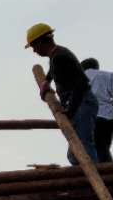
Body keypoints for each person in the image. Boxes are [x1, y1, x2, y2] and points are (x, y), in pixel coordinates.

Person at [25, 23, 99, 166]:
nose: (34, 51)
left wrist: (70, 111)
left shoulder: (59, 56)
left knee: (83, 147)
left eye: (34, 46)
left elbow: (81, 84)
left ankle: (97, 178)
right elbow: (54, 69)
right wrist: (47, 81)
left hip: (81, 103)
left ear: (41, 42)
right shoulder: (57, 55)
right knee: (73, 154)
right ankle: (87, 180)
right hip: (78, 104)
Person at [81, 57, 113, 164]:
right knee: (103, 147)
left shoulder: (79, 77)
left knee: (97, 149)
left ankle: (109, 174)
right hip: (109, 117)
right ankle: (108, 172)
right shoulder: (108, 75)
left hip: (90, 117)